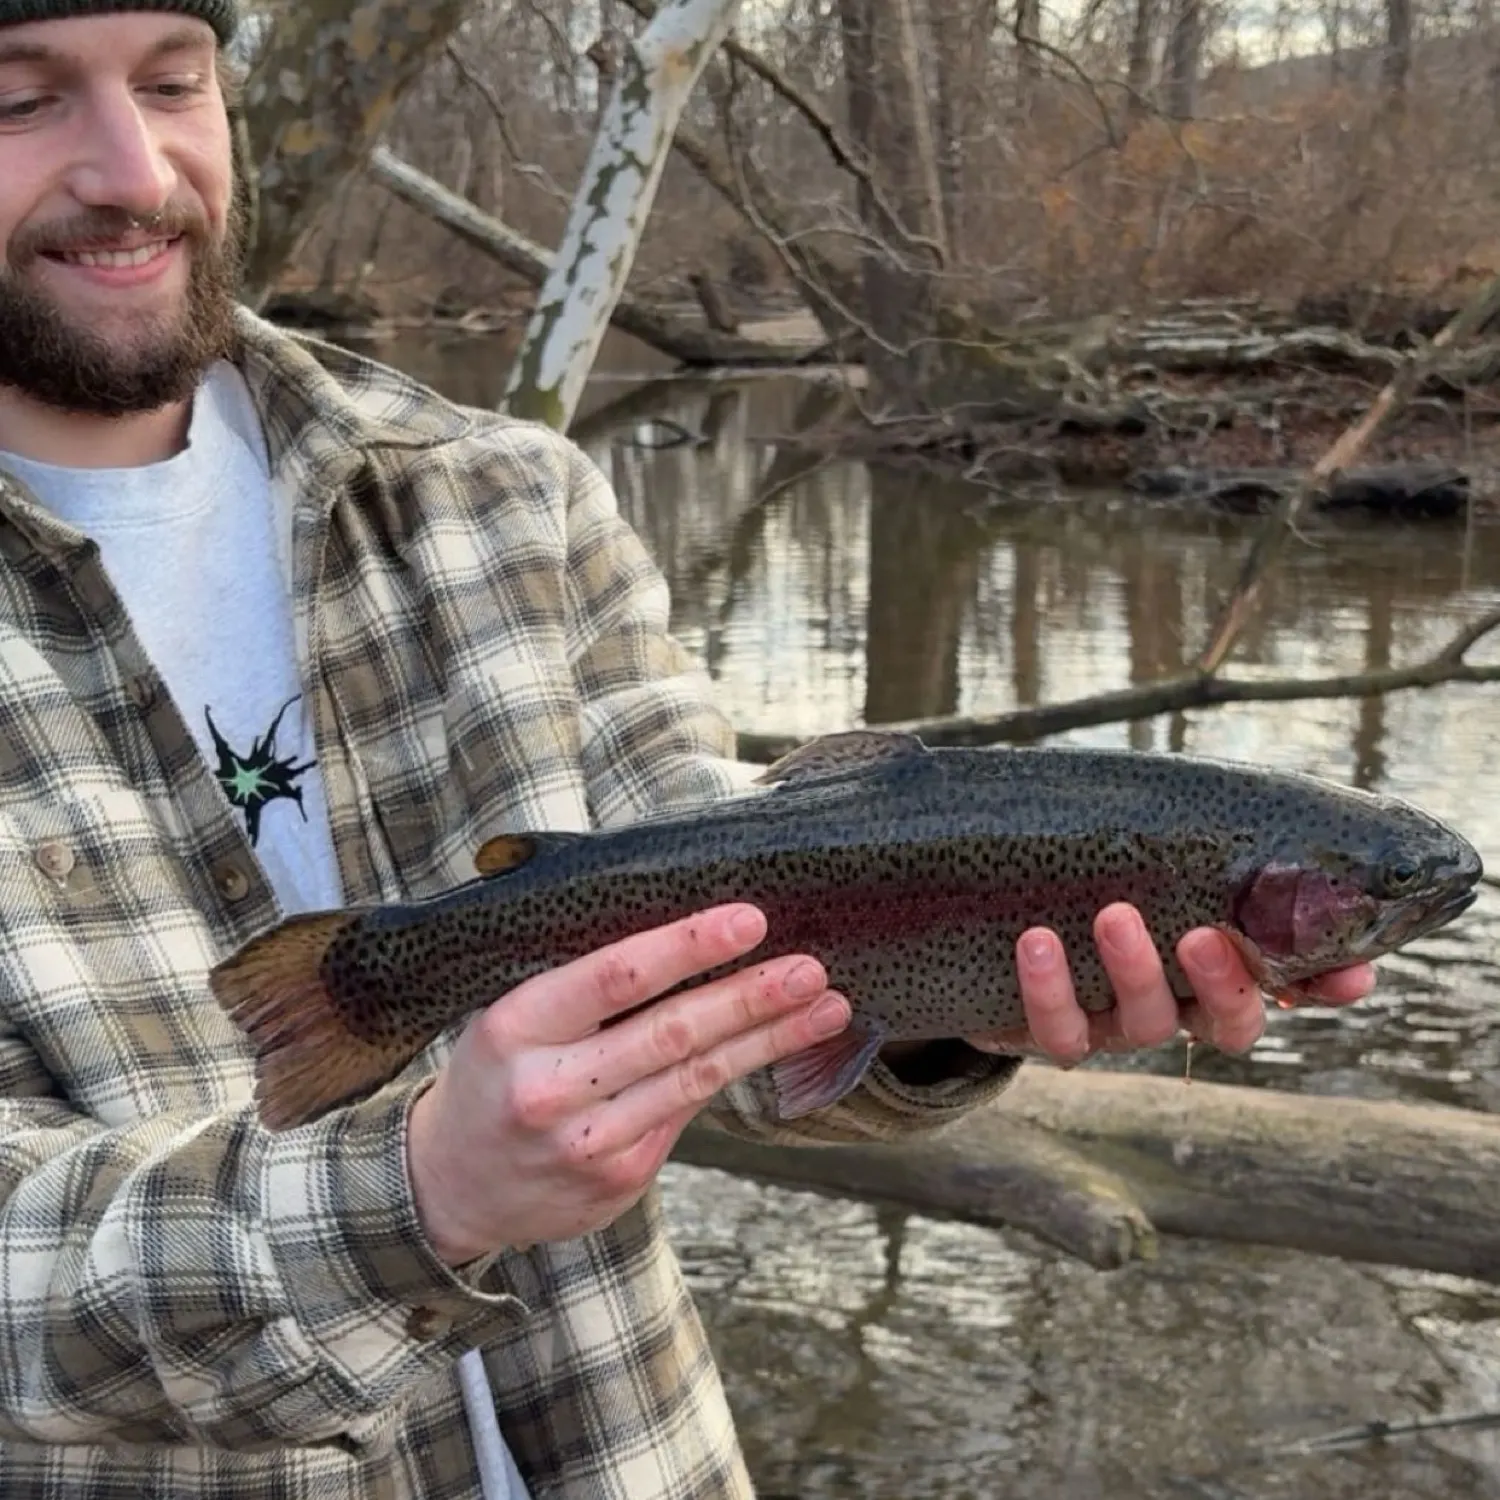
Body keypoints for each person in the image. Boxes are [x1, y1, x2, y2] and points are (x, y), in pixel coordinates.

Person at [0, 3, 1376, 1496]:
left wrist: (954, 989)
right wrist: (415, 1192)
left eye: (172, 83)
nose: (132, 168)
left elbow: (714, 868)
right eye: (23, 102)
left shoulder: (501, 494)